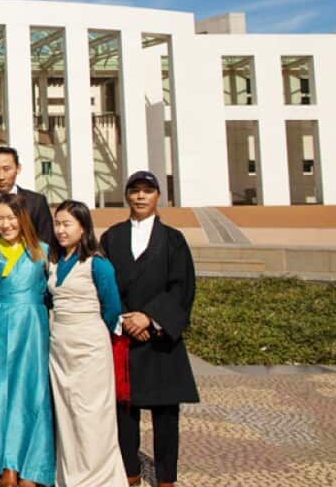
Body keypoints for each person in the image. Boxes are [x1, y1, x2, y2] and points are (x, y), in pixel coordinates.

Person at [100, 171, 199, 487]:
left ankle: (167, 477)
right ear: (127, 195)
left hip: (160, 339)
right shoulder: (112, 237)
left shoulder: (173, 239)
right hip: (125, 335)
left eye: (148, 191)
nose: (141, 196)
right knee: (124, 411)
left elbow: (182, 287)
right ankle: (130, 471)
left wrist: (150, 318)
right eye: (135, 191)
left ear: (158, 196)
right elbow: (105, 284)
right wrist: (125, 319)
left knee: (166, 414)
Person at [0, 194, 55, 487]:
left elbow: (54, 294)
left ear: (23, 218)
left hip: (33, 329)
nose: (6, 224)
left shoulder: (43, 251)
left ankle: (32, 467)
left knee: (31, 394)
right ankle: (4, 464)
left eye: (11, 218)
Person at [47, 200, 125, 486]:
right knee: (67, 411)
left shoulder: (97, 263)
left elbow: (112, 308)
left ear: (83, 227)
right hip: (60, 346)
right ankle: (70, 475)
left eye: (67, 224)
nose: (61, 230)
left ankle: (98, 477)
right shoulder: (56, 261)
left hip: (89, 343)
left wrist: (92, 331)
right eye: (57, 224)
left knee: (91, 412)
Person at [0, 146, 55, 254]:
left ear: (18, 168)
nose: (1, 176)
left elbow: (47, 242)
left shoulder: (36, 202)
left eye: (6, 169)